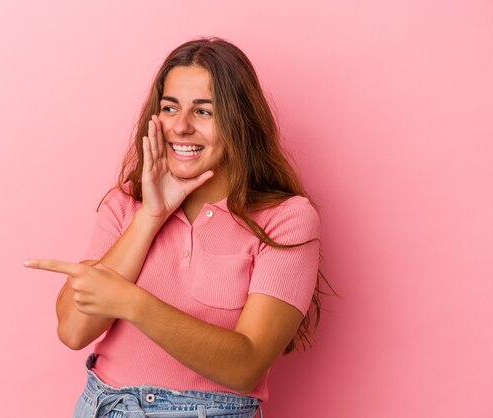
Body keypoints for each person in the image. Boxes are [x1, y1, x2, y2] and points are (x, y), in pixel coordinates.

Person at [24, 37, 334, 418]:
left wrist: (131, 302)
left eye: (204, 112)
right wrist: (151, 217)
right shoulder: (125, 204)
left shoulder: (286, 218)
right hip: (104, 405)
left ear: (240, 122)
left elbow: (246, 364)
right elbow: (73, 331)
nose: (181, 126)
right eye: (170, 108)